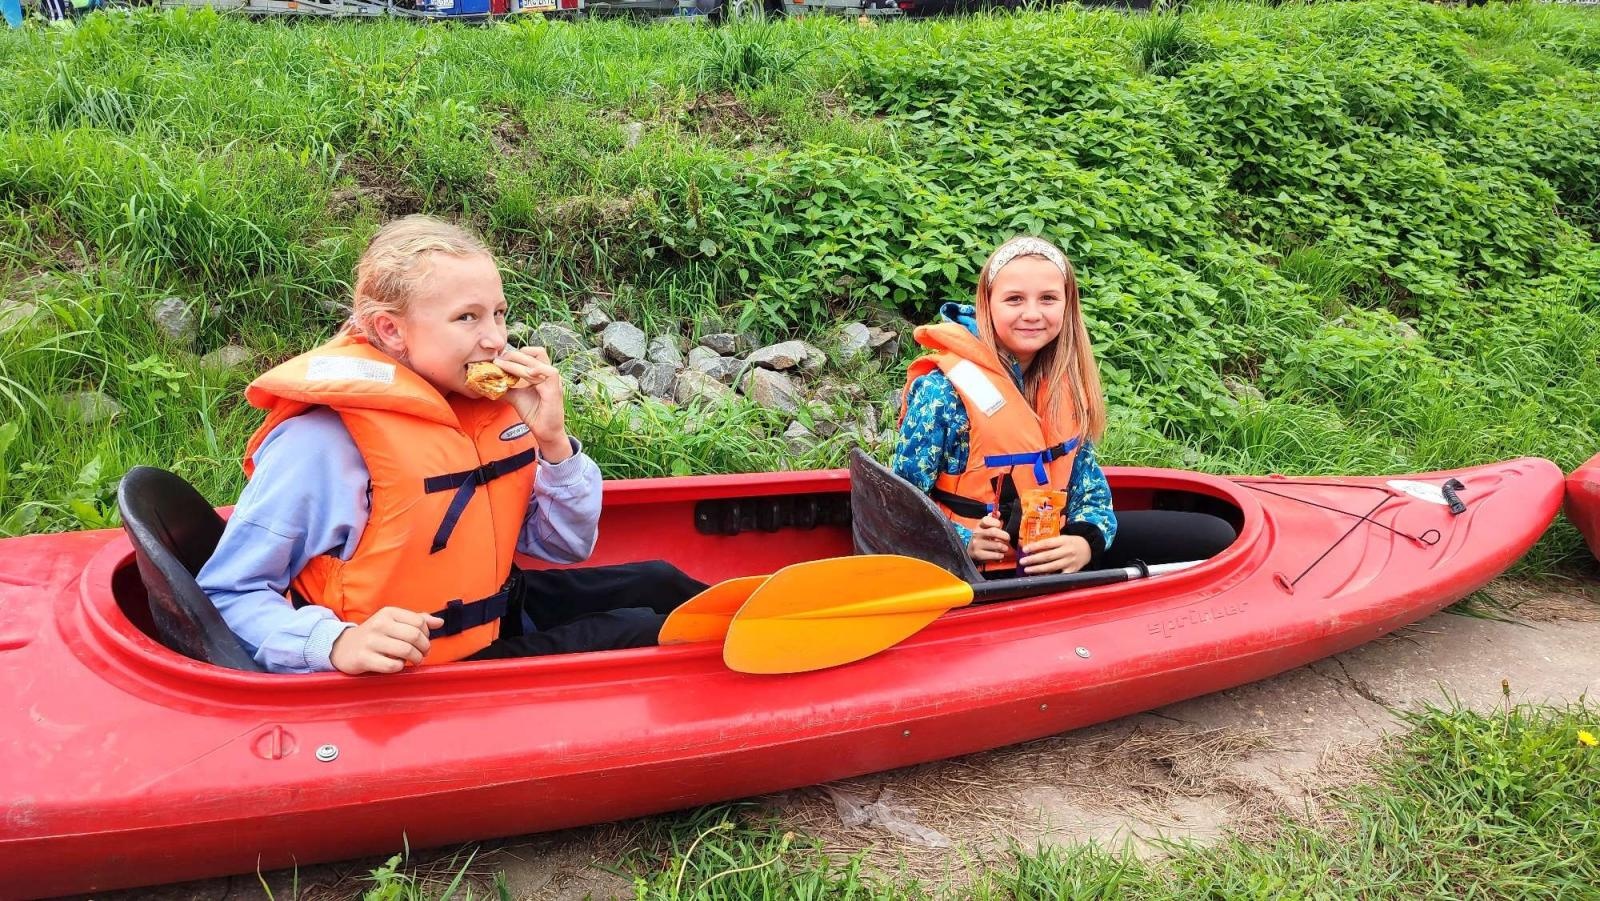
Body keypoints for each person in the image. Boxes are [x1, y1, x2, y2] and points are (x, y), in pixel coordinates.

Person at [196, 215, 705, 674]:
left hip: (497, 613)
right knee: (647, 631)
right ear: (391, 330)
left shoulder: (481, 406)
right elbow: (225, 595)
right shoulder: (321, 444)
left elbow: (563, 547)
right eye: (468, 318)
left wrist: (553, 443)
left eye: (499, 313)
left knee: (659, 581)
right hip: (422, 673)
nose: (495, 339)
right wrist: (337, 642)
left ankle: (755, 617)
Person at [893, 235, 1235, 577]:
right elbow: (897, 509)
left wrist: (1084, 542)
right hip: (978, 573)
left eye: (1048, 298)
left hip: (1052, 552)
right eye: (1014, 299)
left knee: (1214, 535)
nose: (1032, 314)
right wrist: (963, 541)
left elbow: (1089, 488)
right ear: (987, 303)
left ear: (1066, 305)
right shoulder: (941, 391)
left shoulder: (1062, 384)